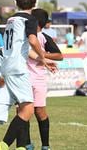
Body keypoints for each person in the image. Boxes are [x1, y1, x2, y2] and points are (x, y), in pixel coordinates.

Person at [0, 0, 56, 150]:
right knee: (28, 109)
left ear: (16, 2)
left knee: (22, 108)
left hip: (6, 66)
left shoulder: (11, 19)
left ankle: (20, 145)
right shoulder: (30, 19)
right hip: (18, 68)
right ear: (34, 1)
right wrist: (43, 56)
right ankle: (3, 145)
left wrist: (42, 61)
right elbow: (33, 41)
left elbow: (23, 48)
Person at [27, 8, 63, 150]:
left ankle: (45, 145)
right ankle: (27, 144)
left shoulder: (43, 37)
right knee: (23, 112)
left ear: (36, 22)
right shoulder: (25, 36)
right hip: (22, 78)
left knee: (40, 111)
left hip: (38, 79)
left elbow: (59, 56)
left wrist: (43, 55)